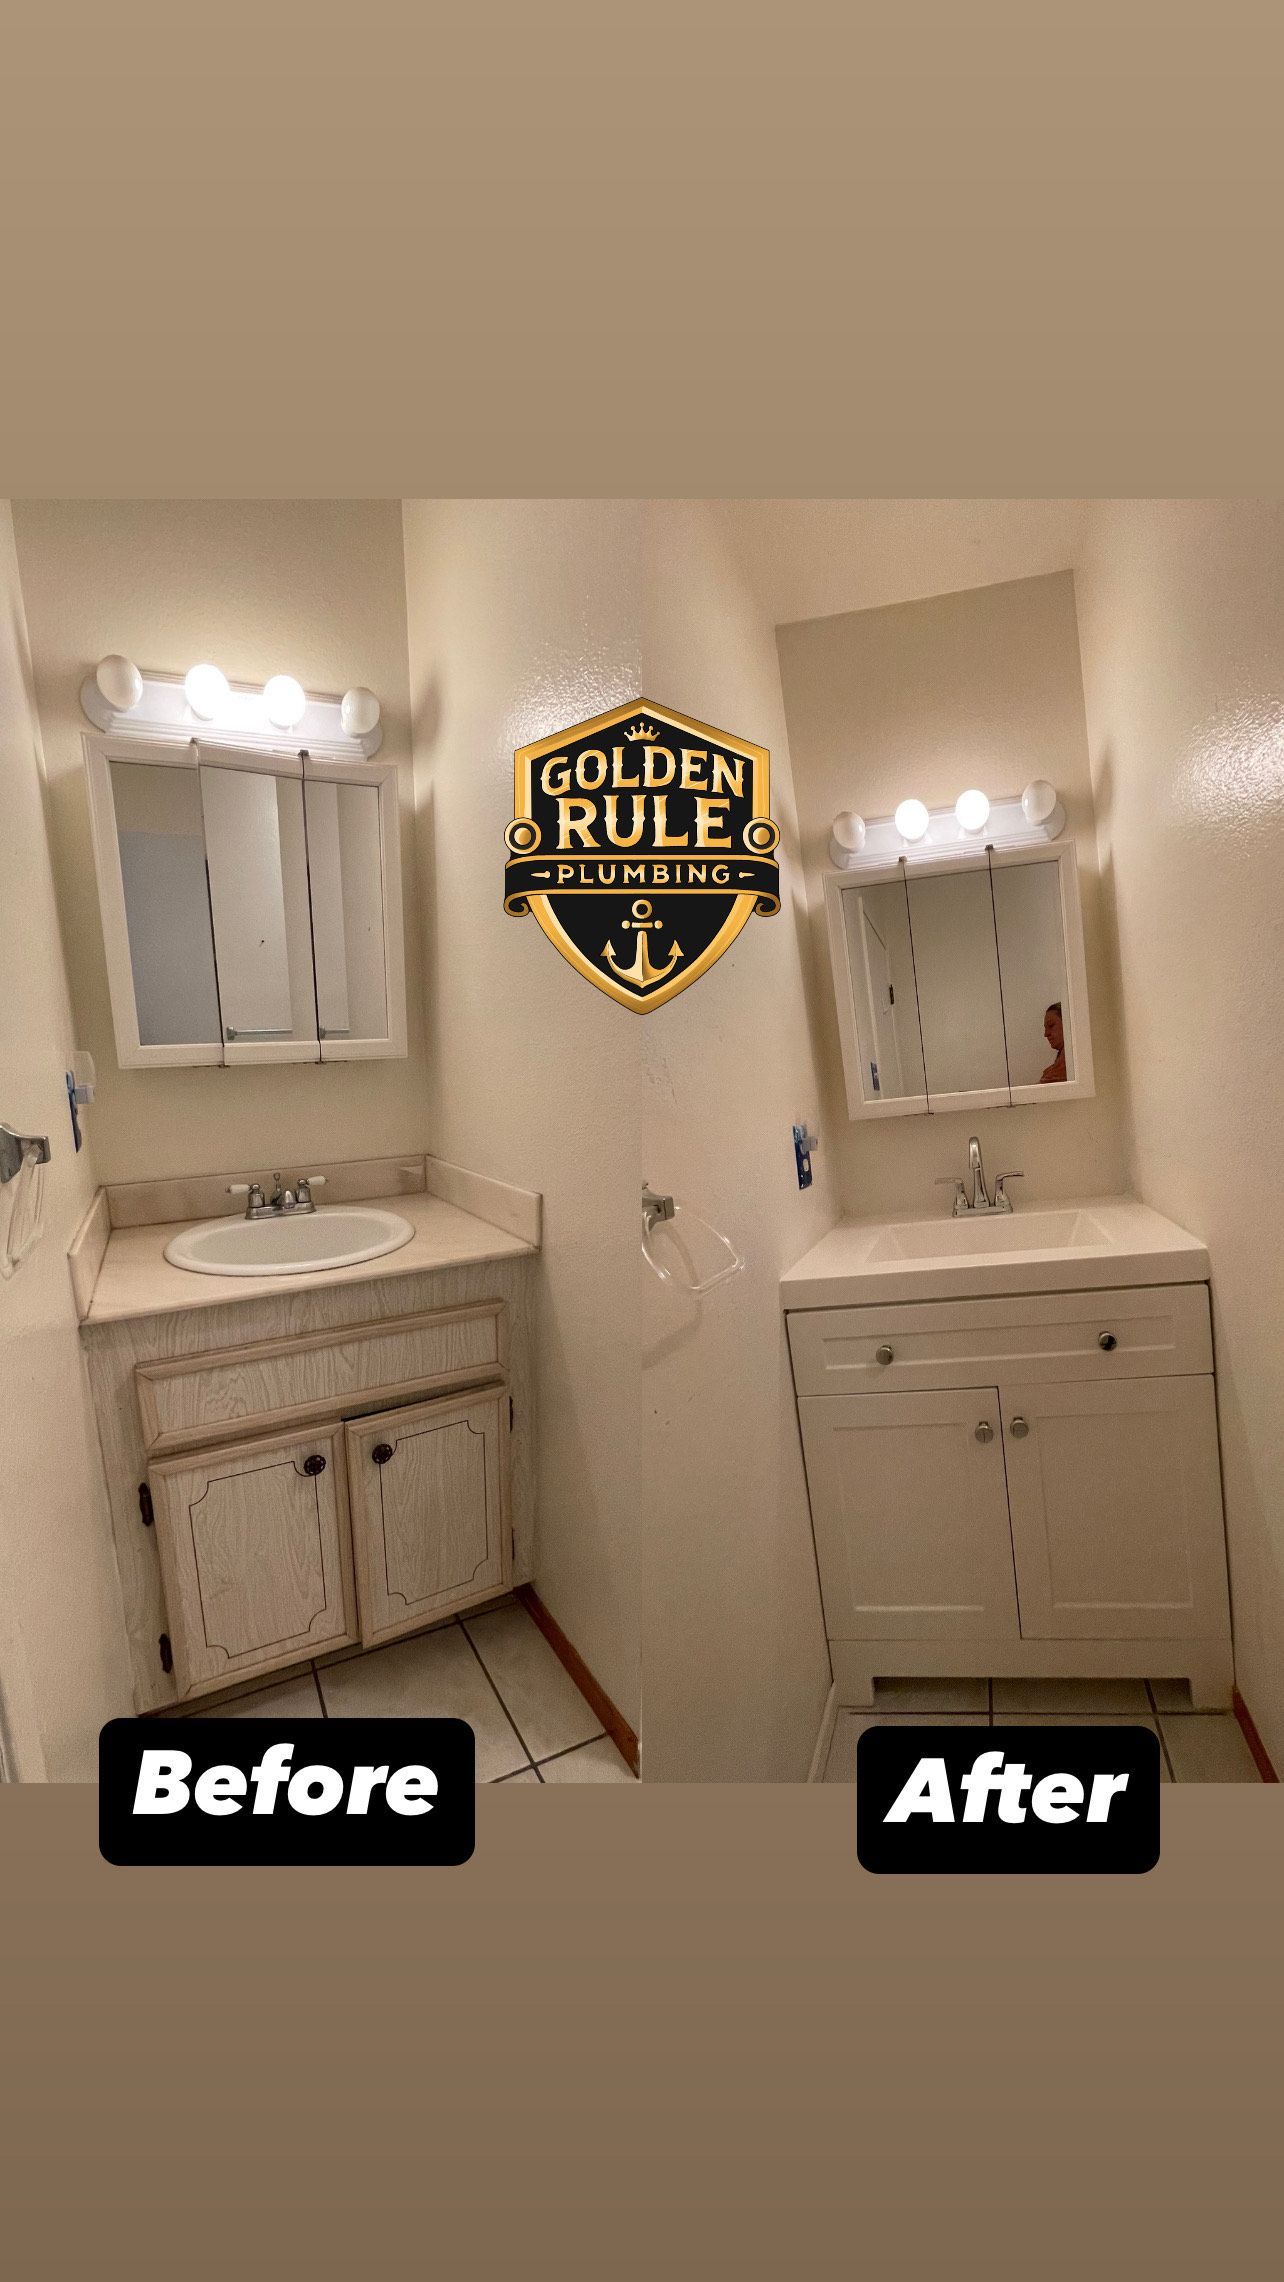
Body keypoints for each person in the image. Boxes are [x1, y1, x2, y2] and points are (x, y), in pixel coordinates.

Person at [1040, 1001, 1067, 1083]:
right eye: (1046, 1028)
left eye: (1051, 1025)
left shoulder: (1076, 1068)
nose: (1046, 1034)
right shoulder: (1051, 1072)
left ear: (1067, 1023)